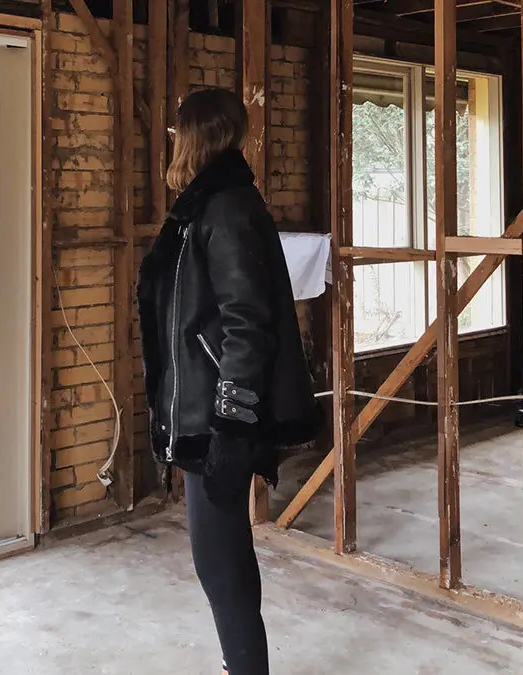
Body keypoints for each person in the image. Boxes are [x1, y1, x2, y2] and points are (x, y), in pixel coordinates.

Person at [136, 88, 323, 675]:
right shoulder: (207, 205)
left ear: (192, 135)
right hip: (202, 406)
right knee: (219, 555)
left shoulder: (226, 208)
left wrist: (230, 420)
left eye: (175, 131)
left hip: (216, 417)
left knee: (218, 557)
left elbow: (247, 323)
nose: (171, 139)